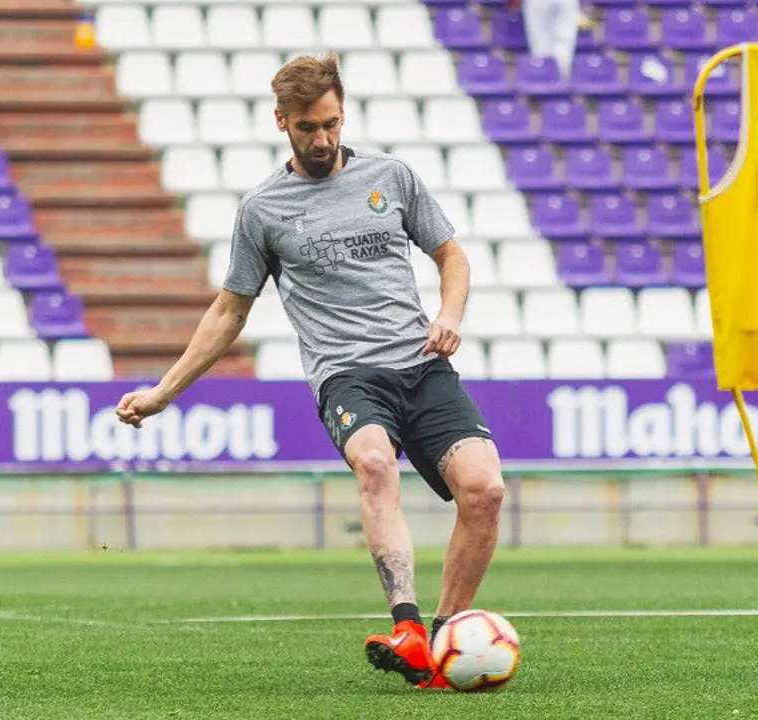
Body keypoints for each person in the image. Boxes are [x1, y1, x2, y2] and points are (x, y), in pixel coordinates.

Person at [115, 53, 506, 691]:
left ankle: (440, 643)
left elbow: (451, 254)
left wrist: (450, 313)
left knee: (485, 492)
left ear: (342, 113)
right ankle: (405, 623)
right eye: (306, 127)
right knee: (375, 464)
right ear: (281, 123)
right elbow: (229, 311)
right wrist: (162, 392)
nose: (322, 139)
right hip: (347, 375)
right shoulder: (264, 209)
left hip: (422, 365)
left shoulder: (392, 177)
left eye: (330, 123)